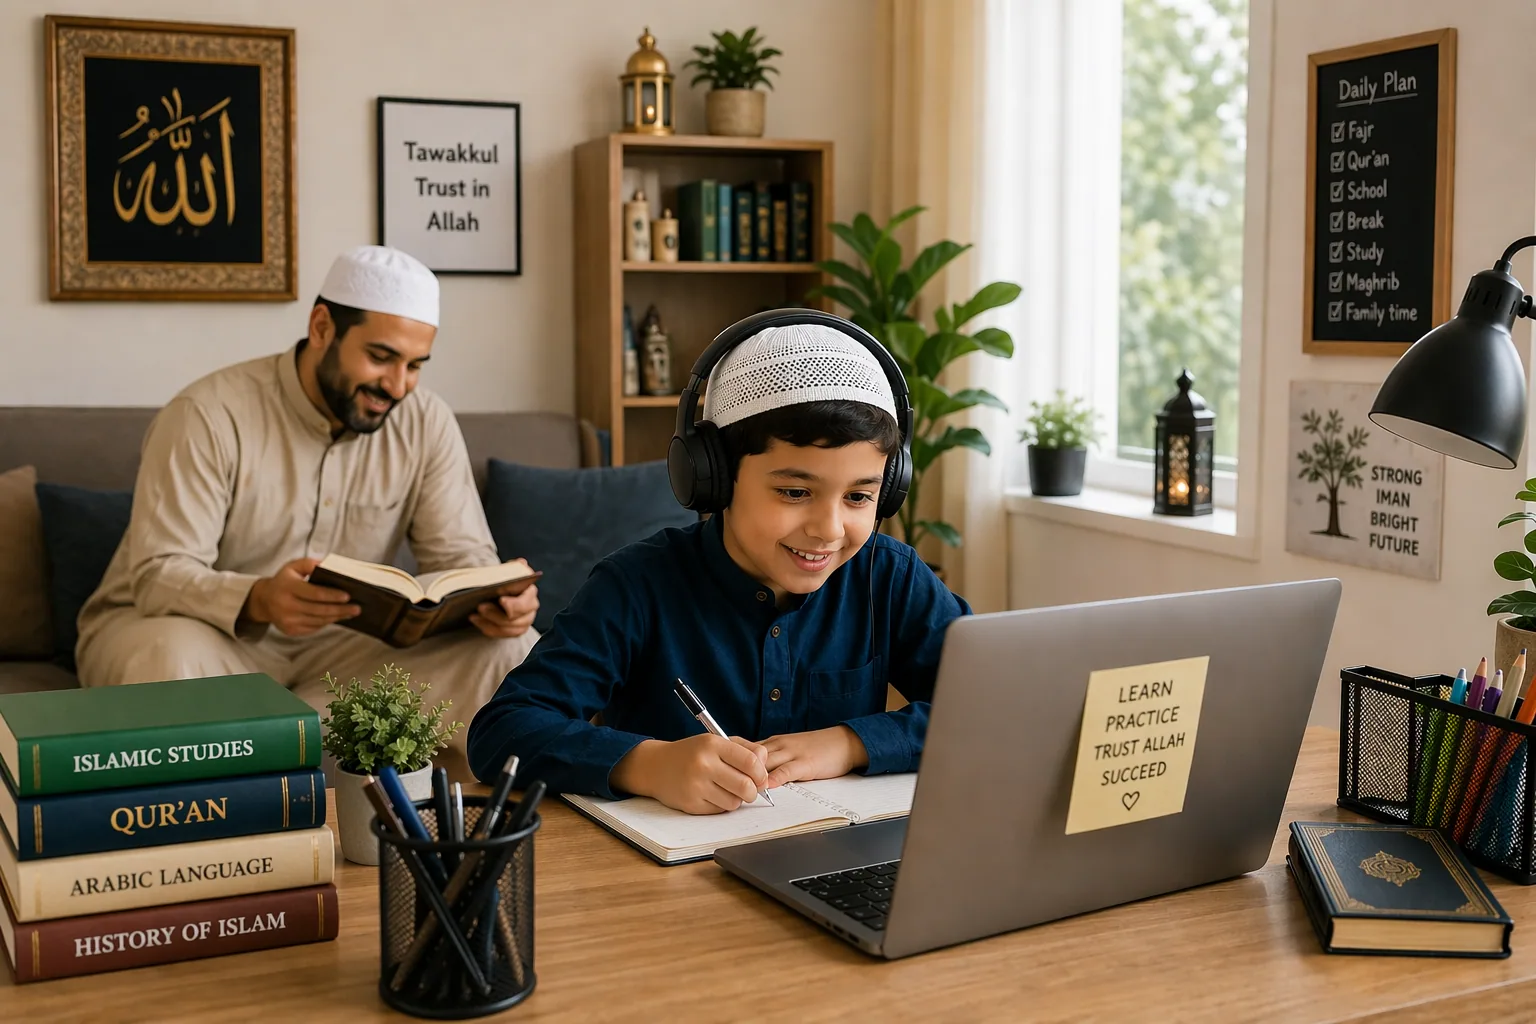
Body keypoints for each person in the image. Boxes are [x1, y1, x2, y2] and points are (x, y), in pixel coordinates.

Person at [466, 313, 969, 813]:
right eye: (795, 491)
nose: (829, 529)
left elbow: (998, 704)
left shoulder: (891, 577)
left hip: (836, 859)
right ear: (714, 479)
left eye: (859, 497)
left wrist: (849, 743)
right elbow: (503, 730)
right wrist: (648, 764)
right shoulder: (636, 586)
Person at [77, 245, 541, 780]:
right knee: (171, 654)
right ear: (322, 326)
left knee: (512, 651)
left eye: (415, 366)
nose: (397, 386)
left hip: (341, 657)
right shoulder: (208, 414)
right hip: (203, 643)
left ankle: (286, 744)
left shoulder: (426, 421)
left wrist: (496, 599)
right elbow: (158, 576)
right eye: (381, 357)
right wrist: (259, 598)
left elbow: (462, 558)